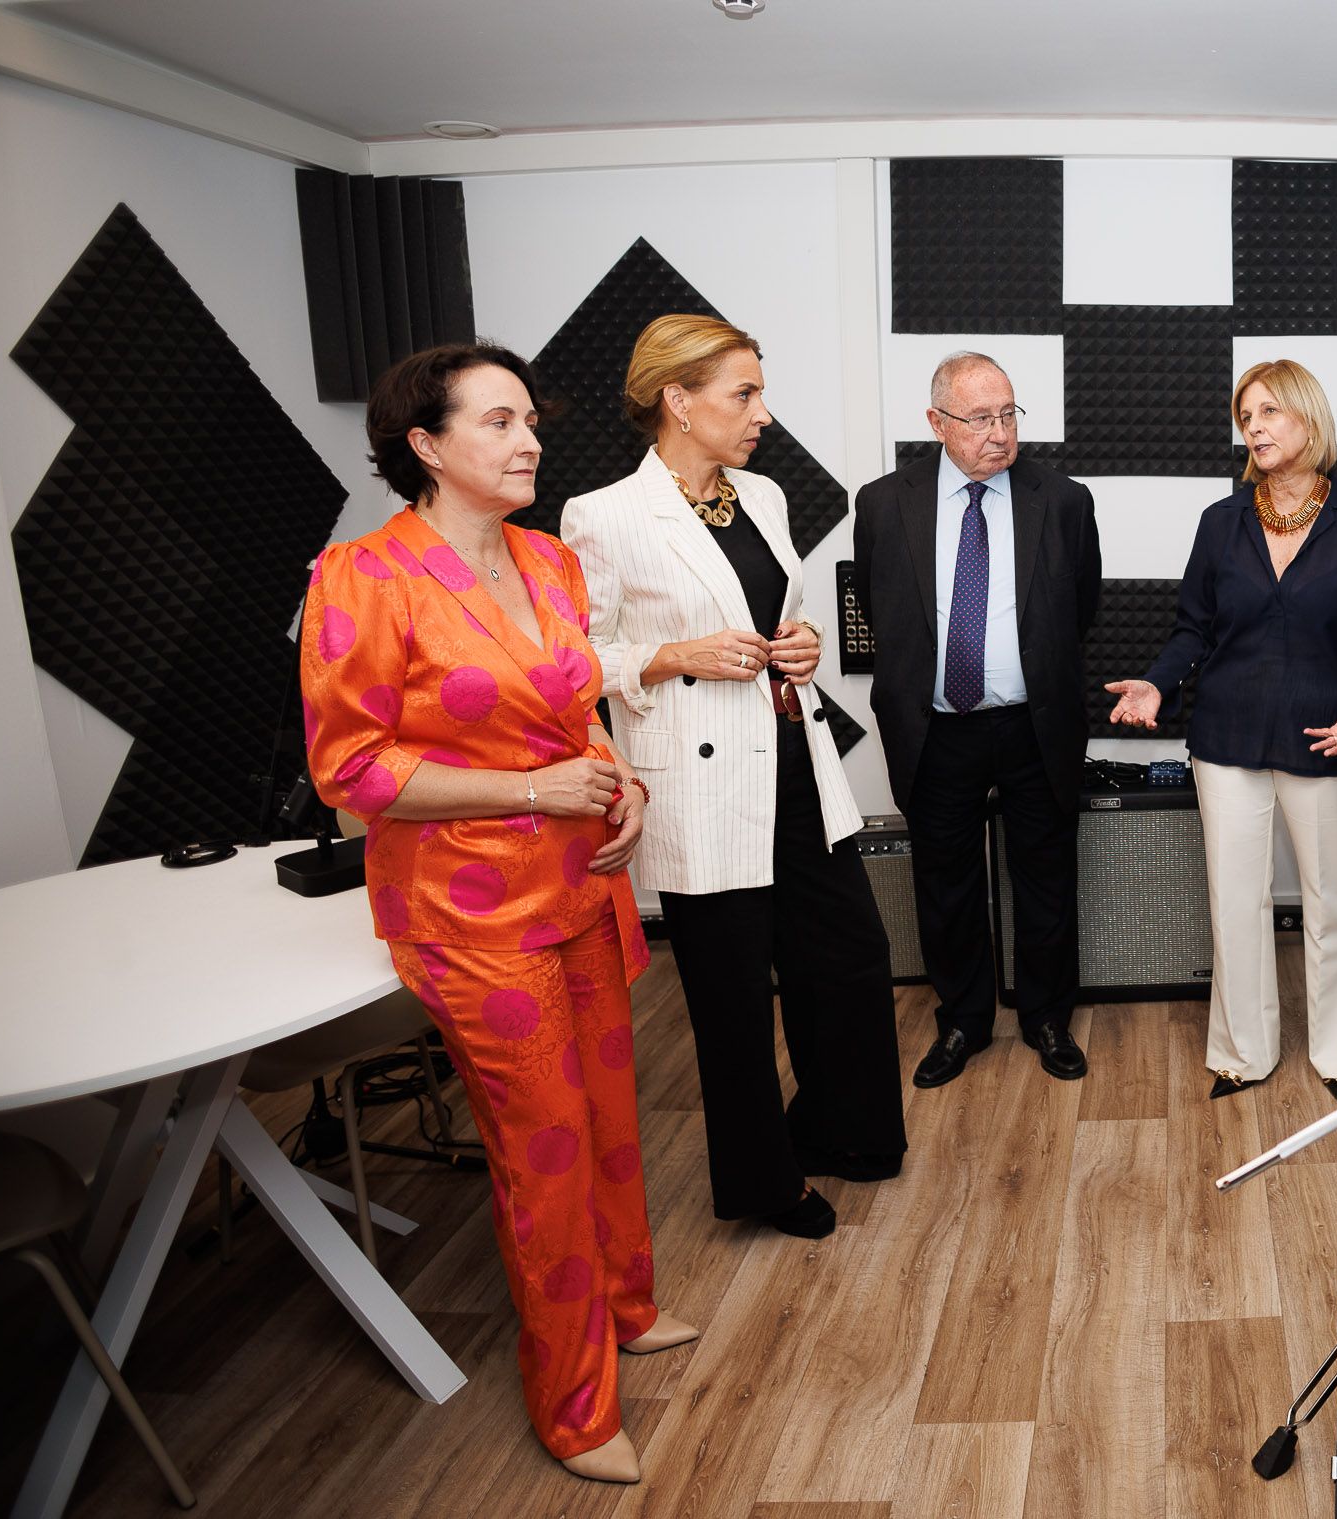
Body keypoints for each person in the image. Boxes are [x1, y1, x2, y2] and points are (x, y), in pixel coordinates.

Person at [301, 344, 694, 1484]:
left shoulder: (548, 560)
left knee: (612, 1121)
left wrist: (620, 777)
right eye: (499, 422)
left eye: (530, 421)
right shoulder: (363, 579)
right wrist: (533, 791)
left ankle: (627, 1307)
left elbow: (574, 706)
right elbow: (351, 770)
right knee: (543, 1152)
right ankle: (575, 1408)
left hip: (582, 883)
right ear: (424, 445)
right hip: (471, 915)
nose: (529, 441)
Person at [562, 314, 905, 1242]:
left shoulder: (761, 495)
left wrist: (804, 644)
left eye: (758, 392)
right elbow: (578, 662)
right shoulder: (602, 515)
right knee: (732, 996)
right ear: (678, 400)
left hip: (792, 752)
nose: (761, 412)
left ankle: (844, 1128)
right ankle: (764, 1180)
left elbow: (776, 611)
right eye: (742, 394)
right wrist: (673, 656)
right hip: (702, 783)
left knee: (848, 954)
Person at [1105, 360, 1337, 1103]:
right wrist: (1157, 681)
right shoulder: (1221, 522)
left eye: (1270, 410)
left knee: (1332, 903)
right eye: (1247, 416)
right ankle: (1243, 1051)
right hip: (1227, 736)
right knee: (1235, 901)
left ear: (1309, 418)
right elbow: (1191, 630)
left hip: (1326, 737)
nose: (1256, 426)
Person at [845, 352, 1101, 1087]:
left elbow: (1080, 608)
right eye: (981, 418)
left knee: (1046, 876)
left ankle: (1048, 1016)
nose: (999, 433)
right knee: (945, 882)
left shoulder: (1063, 500)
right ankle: (962, 1020)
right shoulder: (883, 502)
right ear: (937, 423)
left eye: (1009, 414)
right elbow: (878, 600)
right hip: (935, 730)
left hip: (1033, 725)